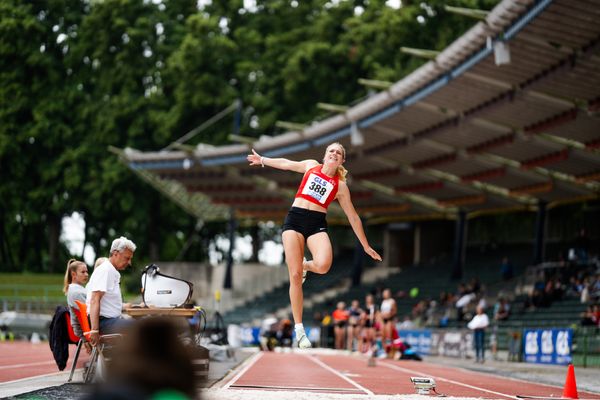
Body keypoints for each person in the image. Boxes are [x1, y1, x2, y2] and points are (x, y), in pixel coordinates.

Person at [247, 143, 382, 348]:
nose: (334, 154)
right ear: (325, 155)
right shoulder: (311, 166)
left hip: (317, 223)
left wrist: (365, 245)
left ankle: (306, 266)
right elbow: (286, 164)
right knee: (294, 275)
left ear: (342, 161)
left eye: (338, 153)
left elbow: (353, 217)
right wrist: (263, 160)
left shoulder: (340, 186)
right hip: (295, 219)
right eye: (331, 151)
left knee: (324, 265)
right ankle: (299, 329)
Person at [86, 236, 136, 346]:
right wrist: (94, 330)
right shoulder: (106, 270)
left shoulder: (110, 270)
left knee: (146, 324)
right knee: (145, 327)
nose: (129, 262)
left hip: (109, 320)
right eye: (127, 258)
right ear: (115, 253)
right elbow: (95, 299)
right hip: (104, 322)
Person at [380, 288, 397, 357]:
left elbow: (394, 311)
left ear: (389, 294)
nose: (384, 294)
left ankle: (391, 352)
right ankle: (385, 351)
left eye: (385, 293)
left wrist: (389, 315)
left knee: (389, 337)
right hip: (383, 321)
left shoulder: (392, 301)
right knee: (383, 336)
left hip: (389, 320)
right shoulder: (383, 301)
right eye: (383, 293)